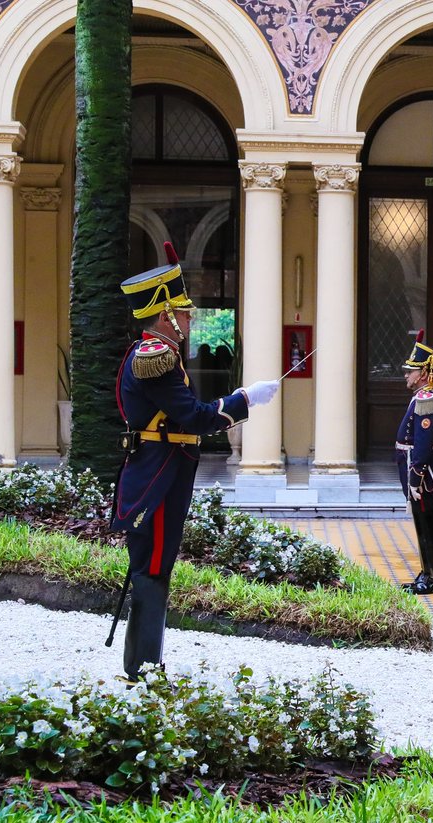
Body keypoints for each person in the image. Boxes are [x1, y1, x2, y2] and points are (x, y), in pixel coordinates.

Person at [112, 242, 279, 682]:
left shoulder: (156, 356)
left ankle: (143, 664)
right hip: (160, 476)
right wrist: (244, 400)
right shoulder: (158, 358)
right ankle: (142, 669)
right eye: (184, 312)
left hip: (158, 470)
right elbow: (193, 417)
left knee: (152, 567)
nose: (190, 318)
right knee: (151, 568)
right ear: (166, 314)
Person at [398, 330, 433, 595]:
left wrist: (415, 476)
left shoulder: (427, 399)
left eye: (411, 370)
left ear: (425, 373)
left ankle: (431, 577)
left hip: (423, 474)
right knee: (423, 523)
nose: (406, 374)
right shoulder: (422, 397)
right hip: (419, 472)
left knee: (426, 522)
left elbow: (423, 443)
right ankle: (428, 571)